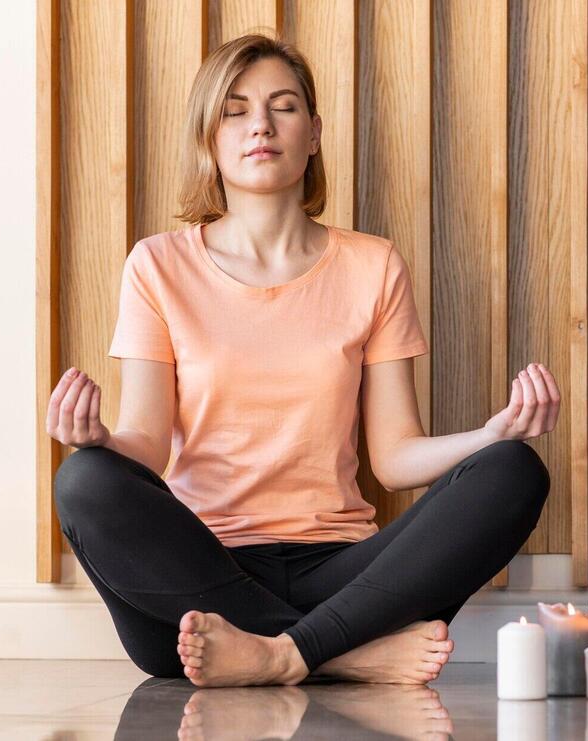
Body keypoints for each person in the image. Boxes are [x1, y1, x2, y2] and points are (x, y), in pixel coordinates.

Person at [47, 33, 557, 689]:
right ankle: (343, 654)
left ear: (313, 132)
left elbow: (395, 455)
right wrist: (100, 440)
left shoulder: (372, 265)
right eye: (235, 109)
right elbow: (145, 444)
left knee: (513, 469)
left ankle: (281, 654)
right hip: (202, 580)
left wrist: (492, 435)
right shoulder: (158, 266)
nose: (260, 124)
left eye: (282, 106)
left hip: (346, 574)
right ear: (210, 136)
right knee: (85, 480)